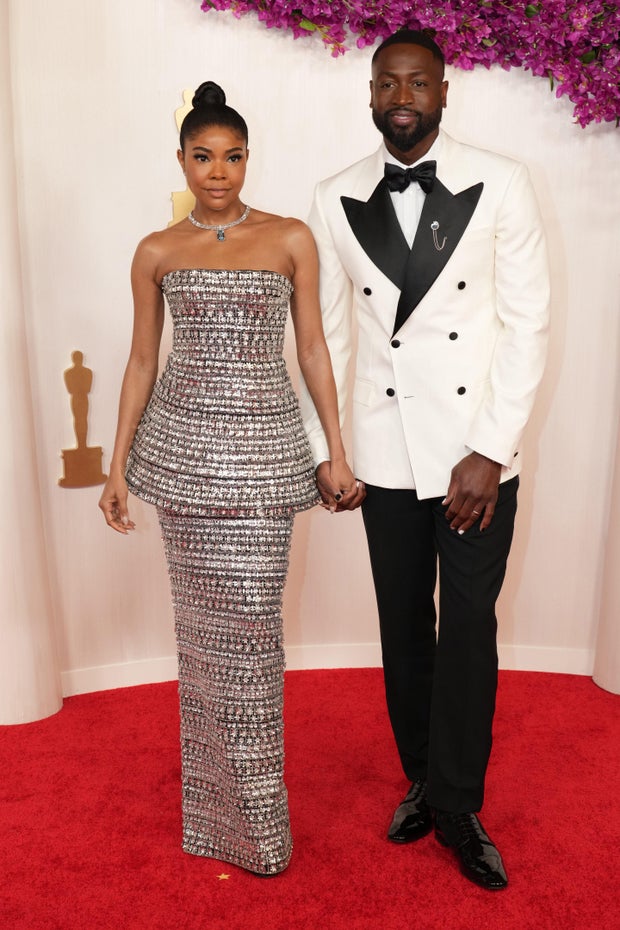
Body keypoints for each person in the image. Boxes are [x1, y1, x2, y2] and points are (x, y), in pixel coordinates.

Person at [300, 30, 550, 890]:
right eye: (386, 83)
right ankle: (420, 778)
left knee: (468, 629)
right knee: (403, 627)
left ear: (444, 92)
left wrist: (489, 448)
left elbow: (527, 326)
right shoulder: (333, 195)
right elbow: (328, 335)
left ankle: (456, 802)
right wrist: (330, 449)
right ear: (370, 94)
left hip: (475, 458)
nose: (400, 96)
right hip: (383, 450)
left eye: (417, 82)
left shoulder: (504, 181)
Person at [98, 81, 355, 876]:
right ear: (181, 160)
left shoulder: (290, 240)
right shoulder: (156, 250)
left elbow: (312, 350)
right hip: (182, 460)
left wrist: (335, 452)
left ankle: (260, 826)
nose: (219, 171)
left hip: (265, 460)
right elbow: (144, 359)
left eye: (234, 156)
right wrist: (116, 465)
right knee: (203, 642)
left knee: (253, 635)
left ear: (250, 159)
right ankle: (215, 823)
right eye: (204, 157)